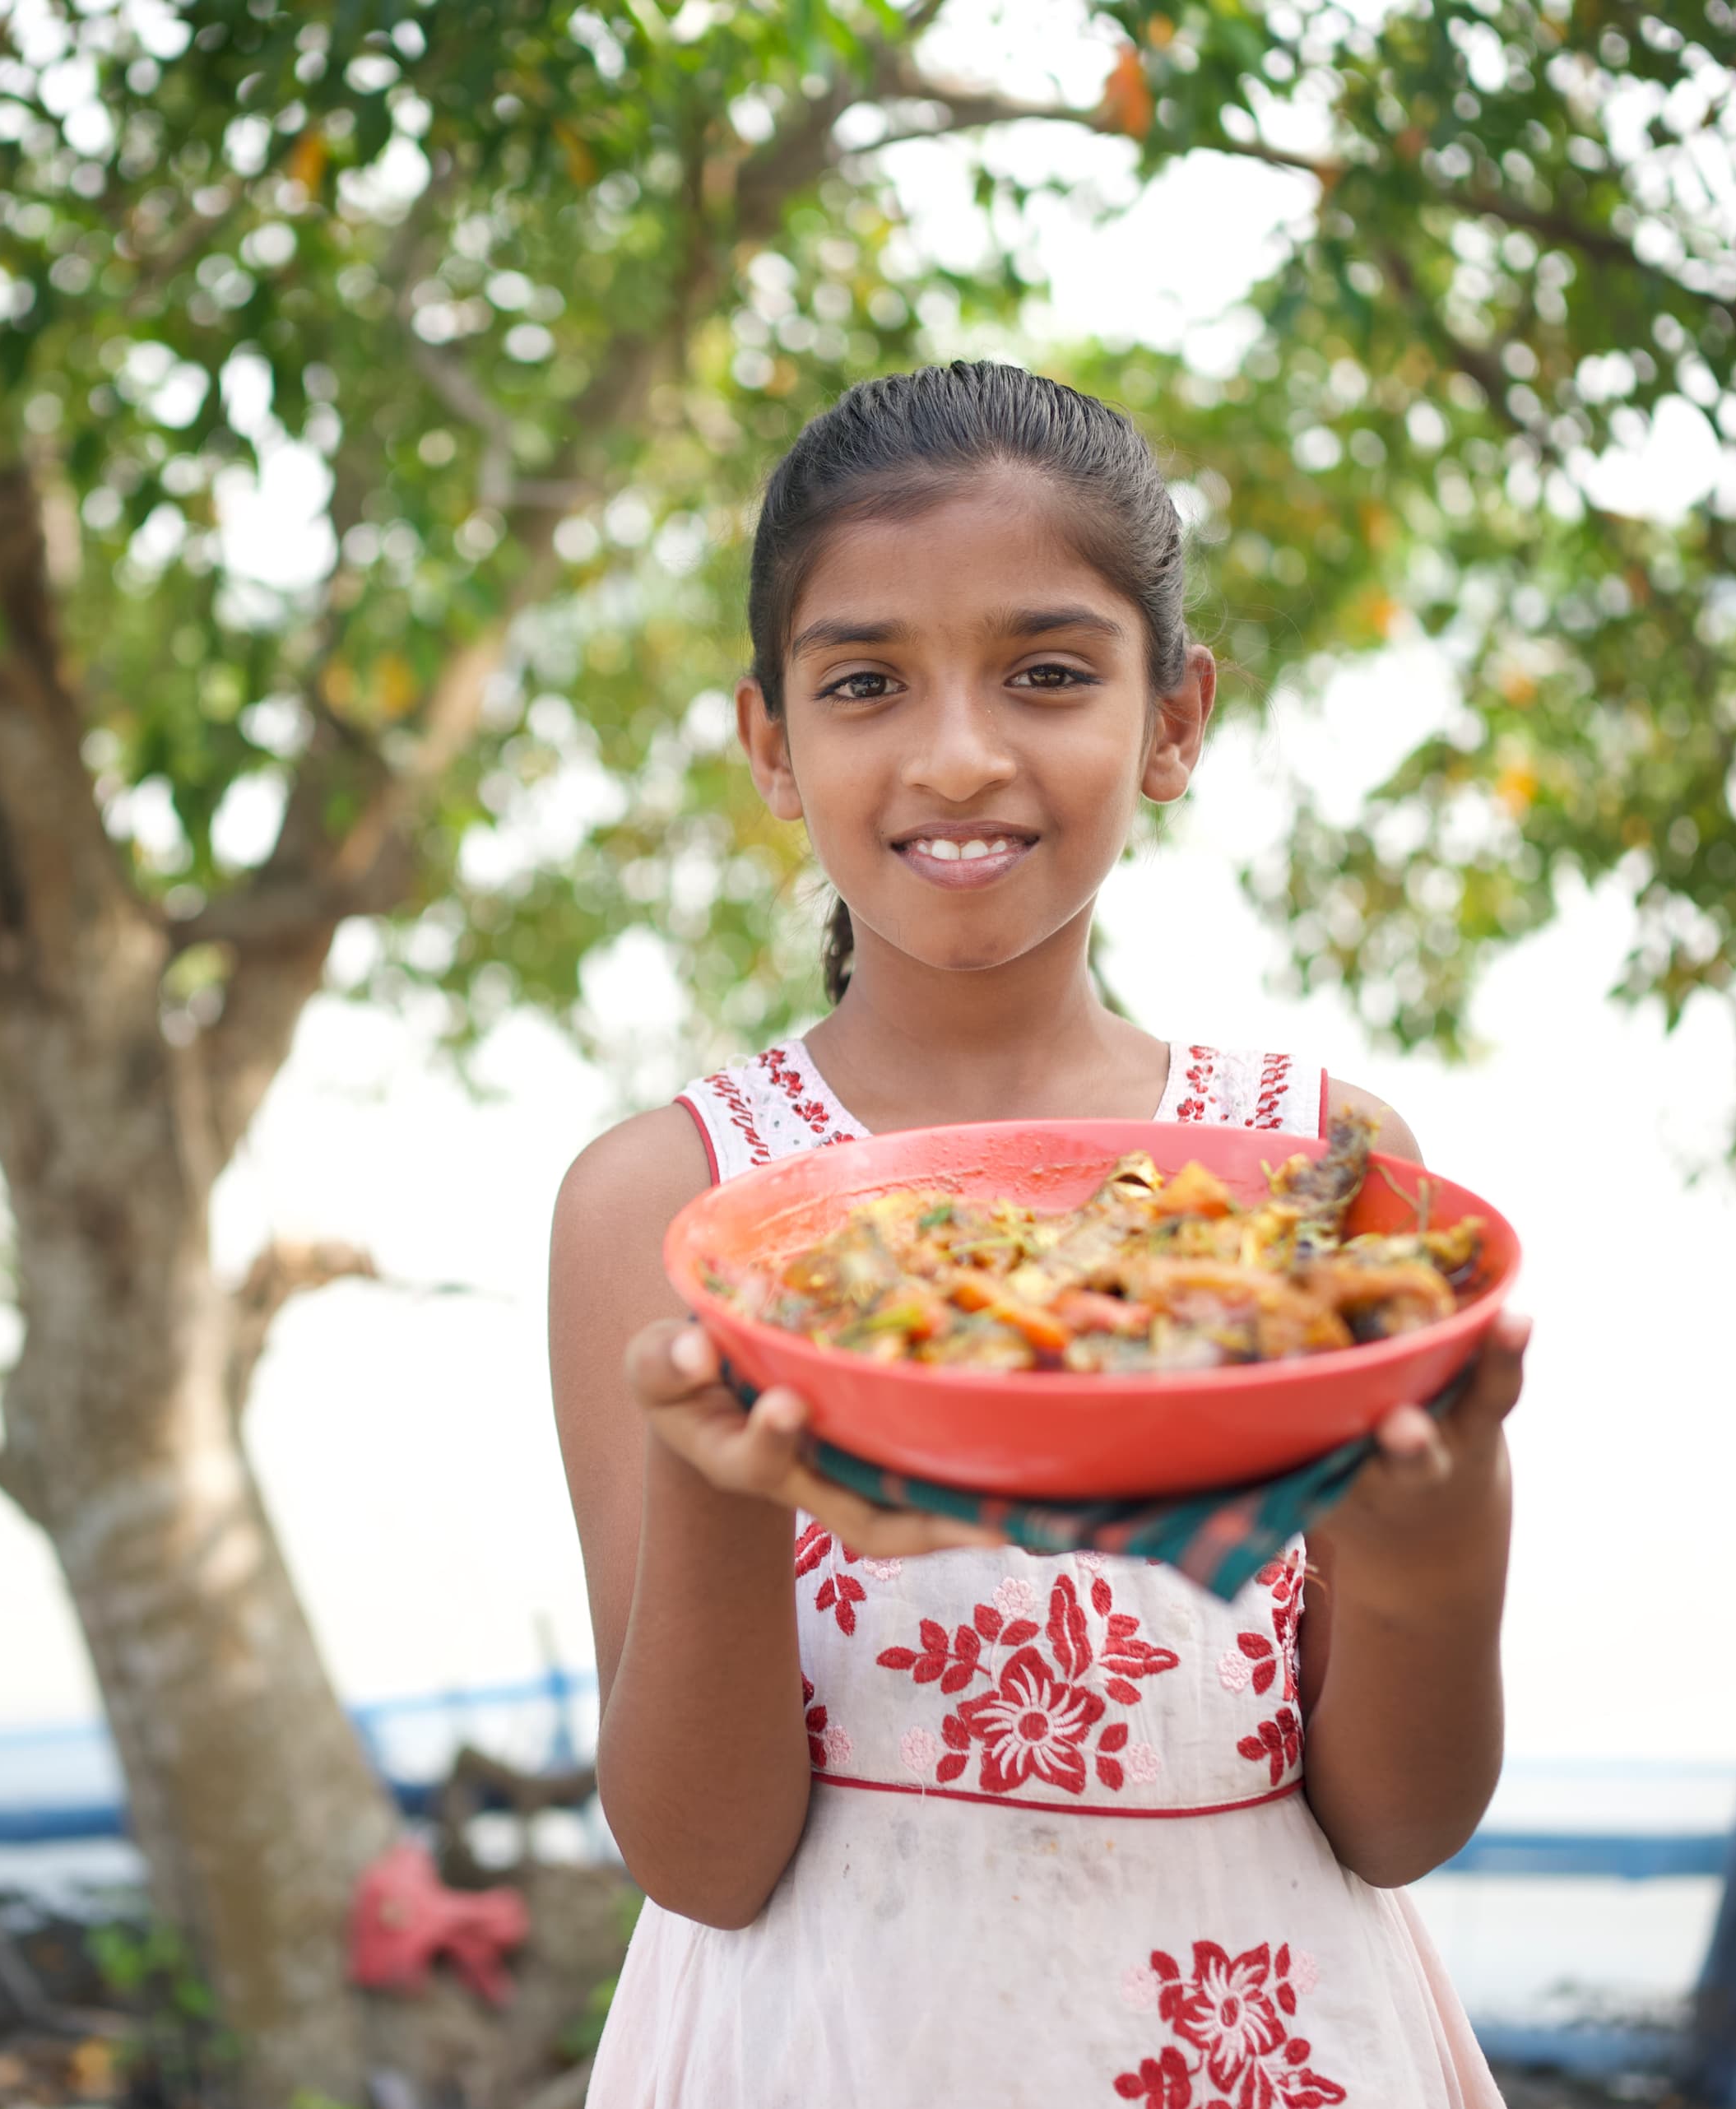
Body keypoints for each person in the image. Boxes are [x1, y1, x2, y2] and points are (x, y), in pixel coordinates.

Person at [547, 361, 1528, 2105]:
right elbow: (702, 1861)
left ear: (1175, 719)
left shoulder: (1319, 1182)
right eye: (865, 682)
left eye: (1051, 673)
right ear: (771, 741)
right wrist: (712, 1465)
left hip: (1271, 2040)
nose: (959, 754)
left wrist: (1447, 1544)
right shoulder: (676, 1211)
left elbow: (1397, 1819)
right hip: (838, 2049)